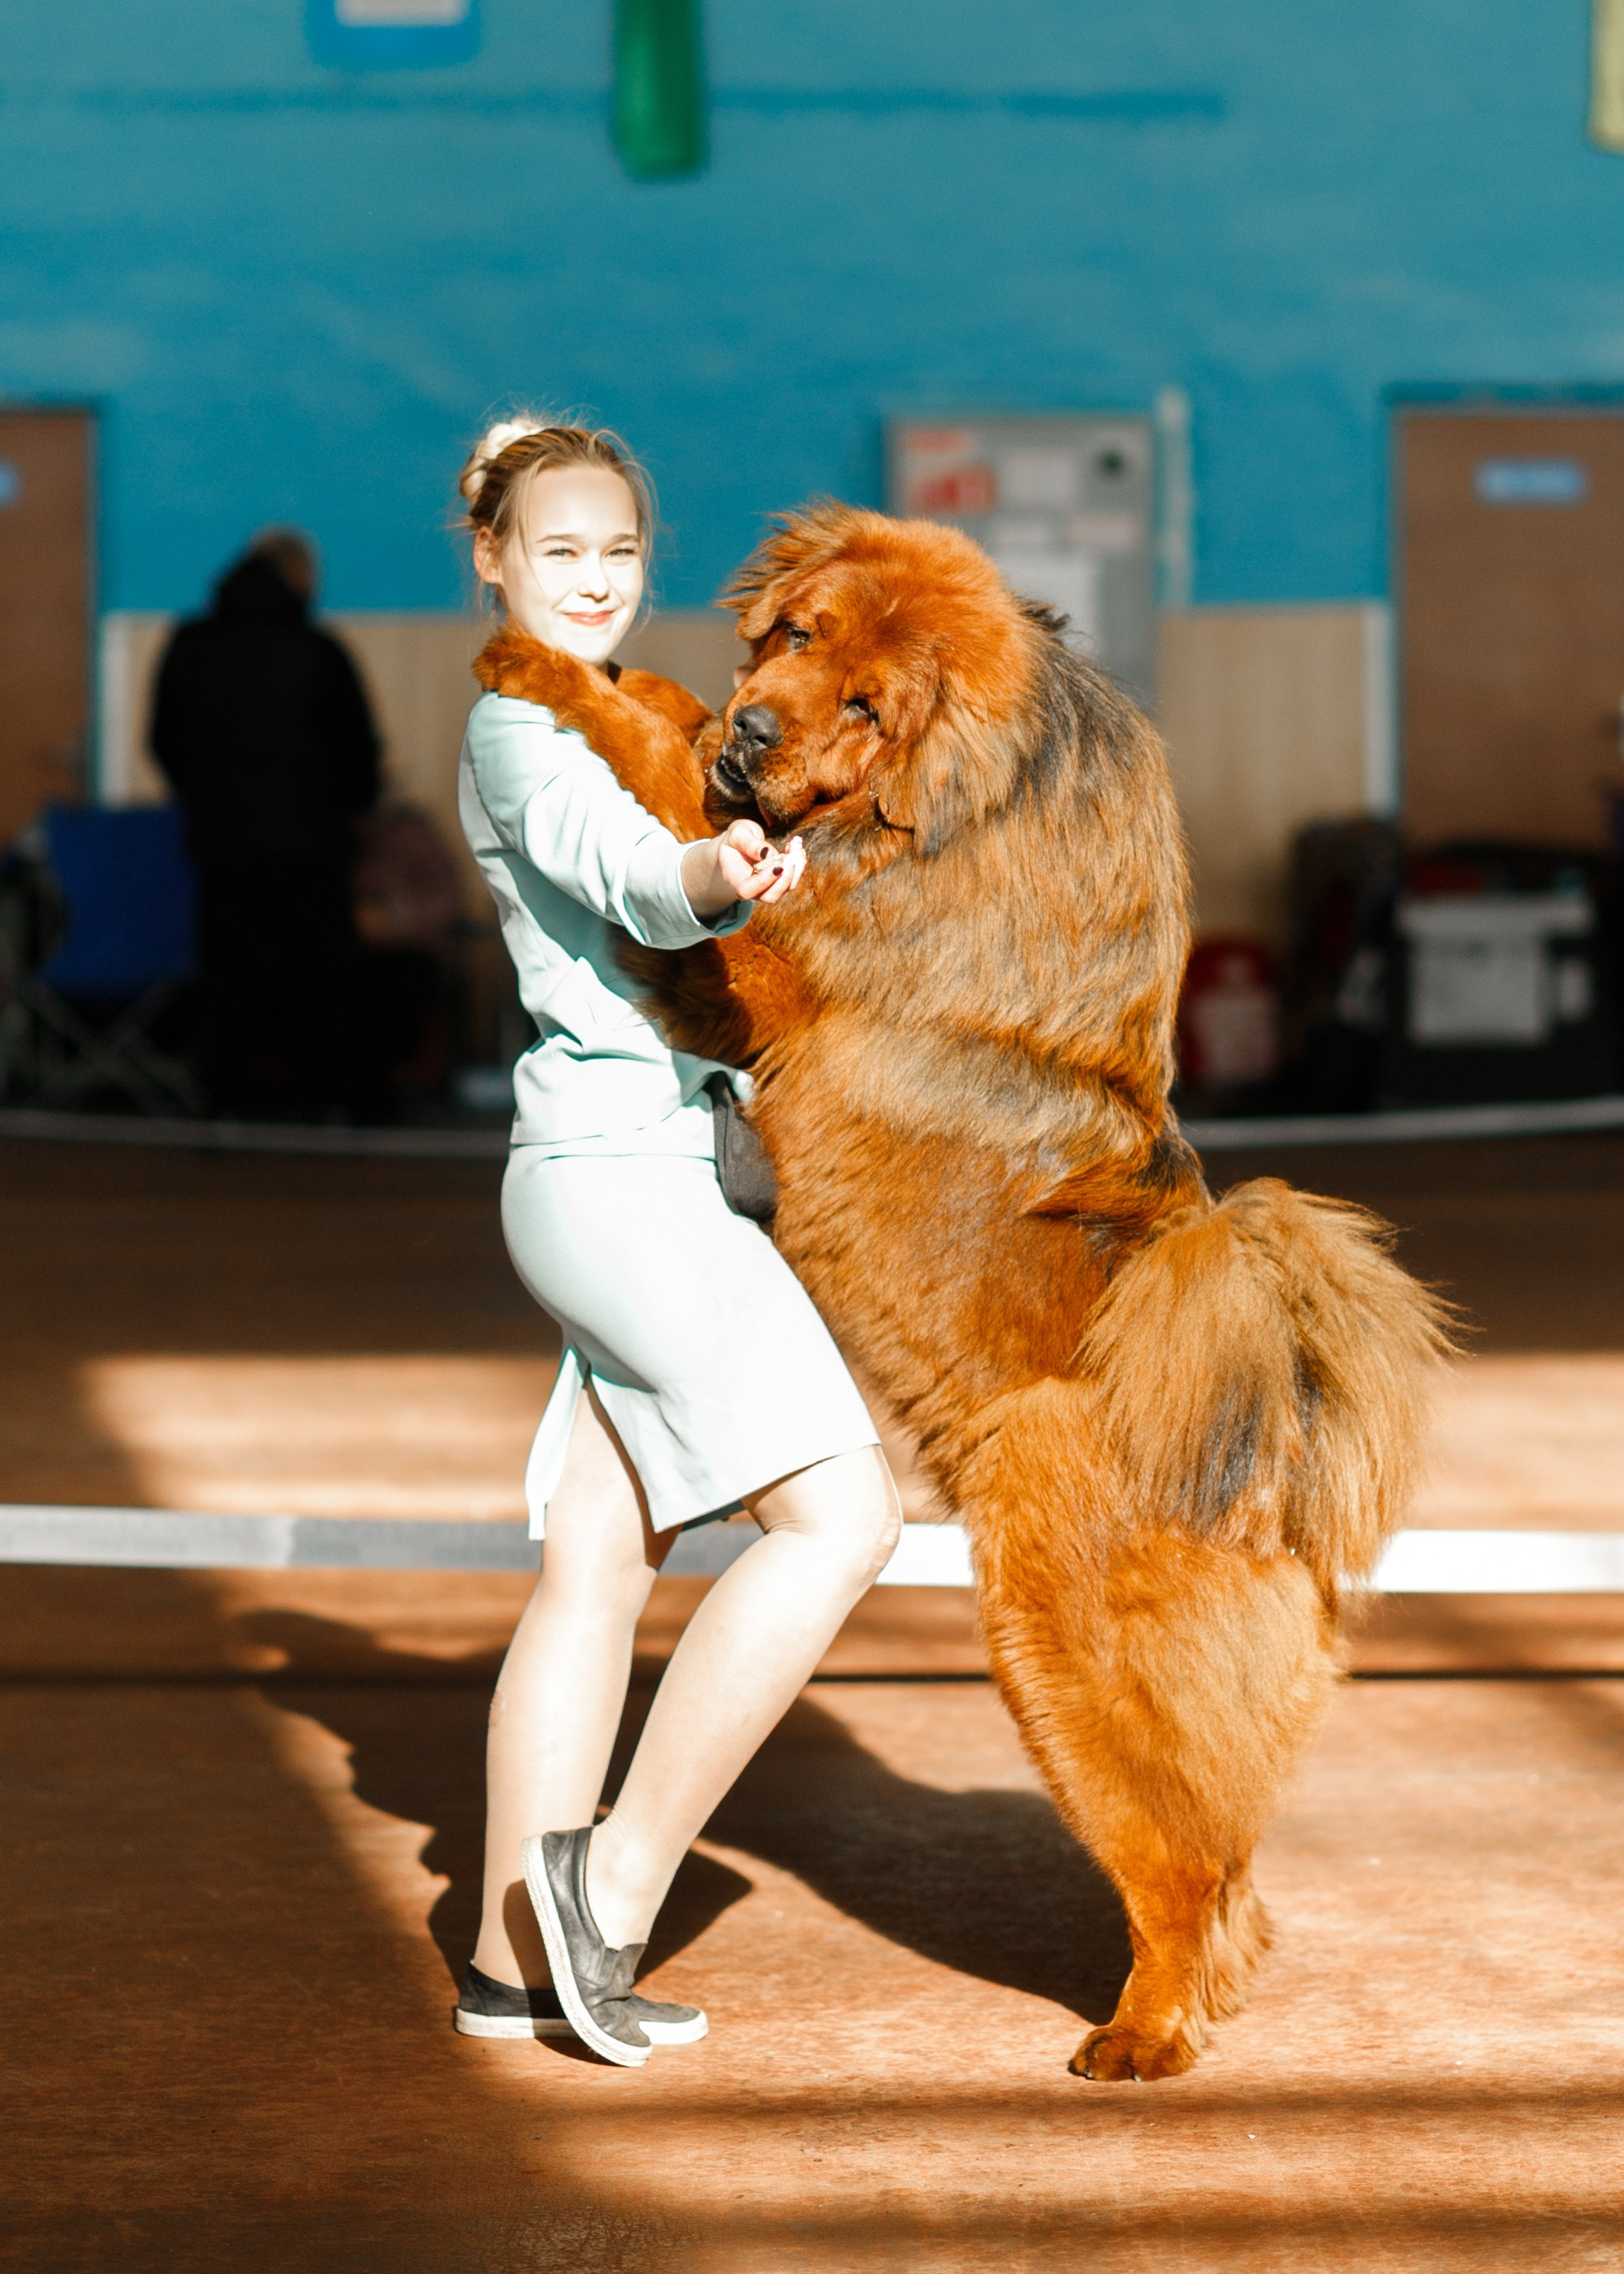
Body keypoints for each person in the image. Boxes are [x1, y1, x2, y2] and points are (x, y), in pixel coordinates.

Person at [452, 417, 901, 2064]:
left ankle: (510, 1961)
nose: (592, 578)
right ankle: (613, 1878)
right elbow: (631, 878)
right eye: (558, 549)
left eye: (618, 551)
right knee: (841, 1518)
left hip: (619, 1171)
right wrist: (718, 867)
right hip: (620, 1182)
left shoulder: (645, 714)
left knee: (595, 1559)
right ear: (494, 560)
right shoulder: (520, 725)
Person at [150, 529, 381, 1118]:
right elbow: (360, 754)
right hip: (313, 845)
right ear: (299, 577)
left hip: (221, 845)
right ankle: (323, 1105)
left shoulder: (189, 644)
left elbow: (163, 740)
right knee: (319, 983)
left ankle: (225, 1105)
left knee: (227, 983)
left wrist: (204, 798)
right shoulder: (320, 651)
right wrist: (351, 810)